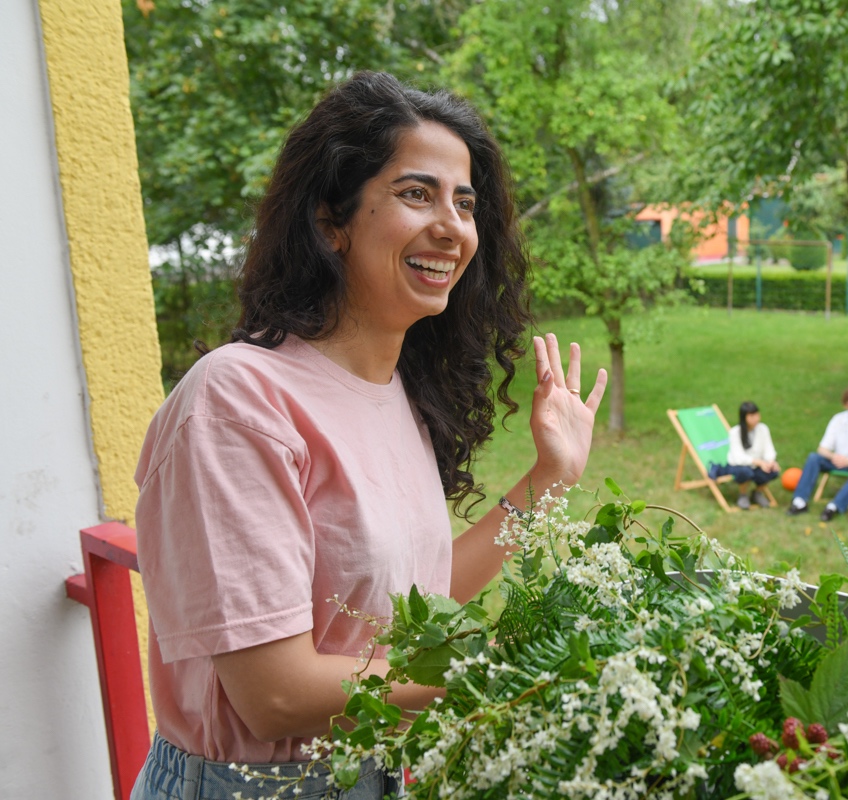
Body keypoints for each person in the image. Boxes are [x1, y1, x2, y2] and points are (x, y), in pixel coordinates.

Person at [130, 72, 607, 800]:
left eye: (465, 203)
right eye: (417, 193)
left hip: (373, 771)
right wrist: (508, 673)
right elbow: (276, 694)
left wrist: (548, 480)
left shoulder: (397, 394)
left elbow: (408, 608)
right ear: (331, 221)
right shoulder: (238, 401)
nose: (452, 226)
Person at [787, 387, 848, 522]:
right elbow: (822, 448)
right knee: (814, 458)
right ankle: (800, 501)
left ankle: (834, 506)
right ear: (845, 405)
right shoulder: (838, 420)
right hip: (839, 461)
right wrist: (834, 457)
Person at [706, 401, 781, 509]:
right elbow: (738, 457)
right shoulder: (735, 432)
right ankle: (743, 495)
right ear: (744, 417)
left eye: (757, 415)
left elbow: (769, 449)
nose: (756, 418)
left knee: (773, 470)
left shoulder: (763, 429)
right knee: (745, 471)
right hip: (737, 466)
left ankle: (757, 493)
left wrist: (771, 462)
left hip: (757, 465)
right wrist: (759, 462)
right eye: (752, 416)